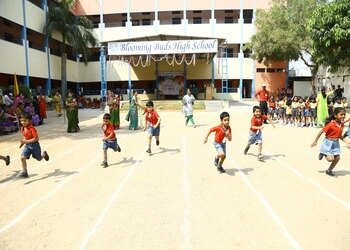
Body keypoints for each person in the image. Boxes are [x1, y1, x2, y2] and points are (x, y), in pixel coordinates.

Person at [311, 107, 350, 176]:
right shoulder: (331, 124)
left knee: (337, 158)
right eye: (341, 114)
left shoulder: (342, 125)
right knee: (330, 159)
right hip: (328, 142)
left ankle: (329, 170)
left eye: (344, 114)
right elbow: (321, 131)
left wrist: (346, 141)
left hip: (336, 143)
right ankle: (323, 152)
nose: (343, 116)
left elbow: (339, 135)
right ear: (335, 115)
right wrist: (315, 141)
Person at [18, 113, 49, 178]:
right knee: (22, 158)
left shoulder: (32, 129)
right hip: (27, 146)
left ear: (29, 121)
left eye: (25, 120)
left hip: (35, 146)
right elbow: (25, 137)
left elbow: (36, 138)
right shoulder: (22, 128)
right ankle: (25, 172)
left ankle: (44, 155)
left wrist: (26, 141)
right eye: (21, 120)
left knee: (39, 158)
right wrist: (23, 142)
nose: (23, 122)